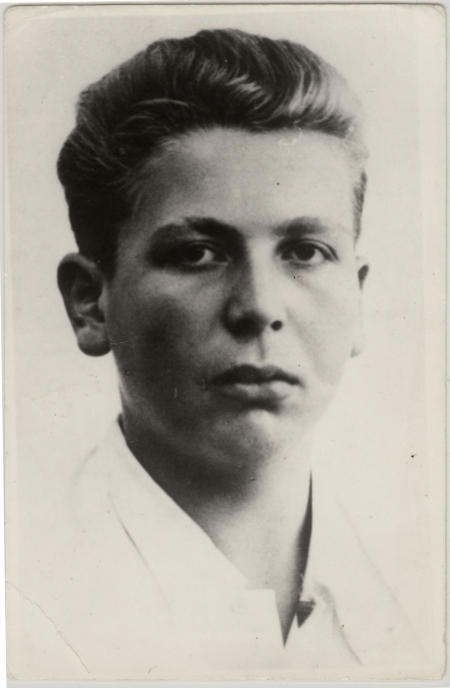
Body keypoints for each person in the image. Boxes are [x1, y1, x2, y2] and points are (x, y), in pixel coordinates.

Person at [10, 28, 424, 680]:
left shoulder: (426, 601)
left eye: (305, 252)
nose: (260, 306)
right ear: (91, 303)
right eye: (197, 253)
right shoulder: (23, 614)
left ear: (359, 297)